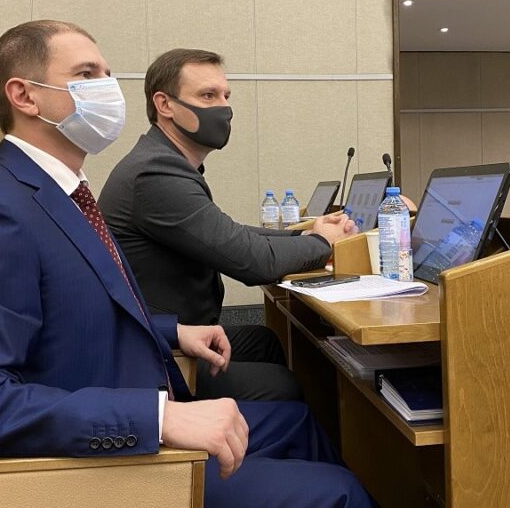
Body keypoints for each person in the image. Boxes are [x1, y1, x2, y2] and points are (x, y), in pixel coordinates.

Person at [0, 20, 373, 507]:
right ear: (25, 96)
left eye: (107, 73)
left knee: (298, 422)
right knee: (341, 493)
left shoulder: (62, 193)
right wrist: (159, 417)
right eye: (86, 74)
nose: (108, 88)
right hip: (107, 461)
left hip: (137, 393)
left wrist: (171, 331)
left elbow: (75, 310)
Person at [99, 48, 357, 401]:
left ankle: (287, 430)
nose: (224, 108)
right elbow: (253, 262)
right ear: (165, 104)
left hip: (171, 331)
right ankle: (291, 426)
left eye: (226, 96)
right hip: (156, 352)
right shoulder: (155, 173)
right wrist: (324, 243)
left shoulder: (163, 161)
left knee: (263, 342)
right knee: (283, 385)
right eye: (208, 95)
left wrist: (304, 233)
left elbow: (228, 231)